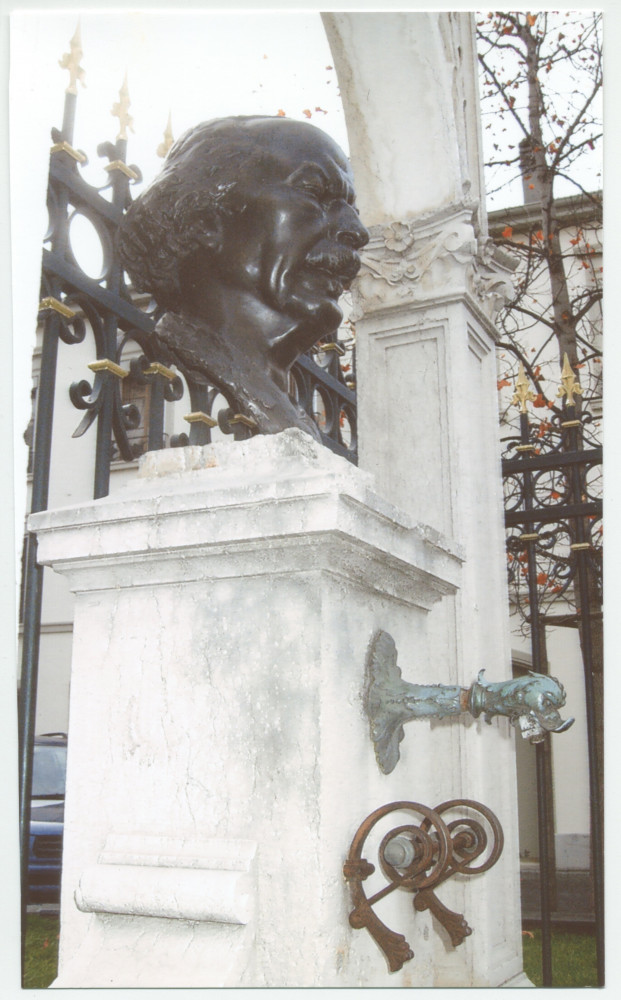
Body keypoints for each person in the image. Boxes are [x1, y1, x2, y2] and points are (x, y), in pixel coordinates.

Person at [118, 115, 369, 439]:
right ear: (205, 220)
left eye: (352, 209)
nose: (356, 232)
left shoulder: (293, 413)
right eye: (314, 192)